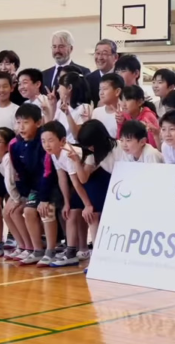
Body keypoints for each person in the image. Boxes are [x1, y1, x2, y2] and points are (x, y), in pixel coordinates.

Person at [10, 104, 58, 266]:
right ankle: (37, 250)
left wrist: (44, 199)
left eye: (26, 122)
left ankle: (51, 250)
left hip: (51, 185)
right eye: (18, 122)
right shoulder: (15, 145)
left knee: (46, 209)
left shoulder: (43, 143)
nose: (21, 127)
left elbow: (48, 172)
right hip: (34, 188)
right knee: (28, 211)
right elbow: (20, 173)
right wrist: (24, 196)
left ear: (38, 123)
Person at [72, 119, 127, 251]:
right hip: (111, 187)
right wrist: (76, 161)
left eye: (91, 145)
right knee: (92, 213)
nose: (90, 148)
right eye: (87, 146)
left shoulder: (121, 148)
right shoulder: (92, 154)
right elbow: (83, 179)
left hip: (124, 185)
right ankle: (97, 252)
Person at [41, 121, 87, 267]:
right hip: (81, 180)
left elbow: (76, 183)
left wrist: (87, 205)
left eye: (50, 140)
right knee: (70, 212)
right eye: (43, 141)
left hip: (91, 177)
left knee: (74, 213)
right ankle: (73, 251)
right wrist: (66, 202)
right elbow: (62, 178)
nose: (46, 145)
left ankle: (73, 252)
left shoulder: (67, 153)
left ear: (62, 140)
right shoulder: (54, 154)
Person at [0, 127, 31, 261]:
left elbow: (10, 182)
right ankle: (21, 245)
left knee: (13, 212)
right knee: (6, 213)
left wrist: (16, 200)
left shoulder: (9, 157)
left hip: (28, 189)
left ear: (8, 145)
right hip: (18, 191)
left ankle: (29, 247)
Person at [53, 72, 92, 144]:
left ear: (69, 88)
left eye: (60, 86)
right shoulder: (60, 105)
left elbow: (77, 136)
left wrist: (68, 114)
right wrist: (51, 105)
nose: (58, 90)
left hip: (74, 147)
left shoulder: (84, 107)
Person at [85, 39, 119, 107]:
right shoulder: (88, 79)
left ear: (115, 57)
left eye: (104, 53)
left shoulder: (121, 78)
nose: (100, 57)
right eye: (97, 53)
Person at [93, 73, 124, 139]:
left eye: (105, 89)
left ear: (117, 92)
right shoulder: (96, 112)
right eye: (100, 89)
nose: (101, 93)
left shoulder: (124, 113)